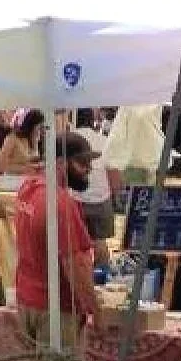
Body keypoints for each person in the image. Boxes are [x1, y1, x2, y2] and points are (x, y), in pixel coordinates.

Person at [14, 131, 100, 351]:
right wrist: (96, 311)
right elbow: (76, 264)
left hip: (27, 301)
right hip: (56, 310)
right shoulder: (61, 203)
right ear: (61, 163)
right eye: (82, 163)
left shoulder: (27, 189)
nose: (89, 169)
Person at [70, 109, 115, 265]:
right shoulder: (104, 141)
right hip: (101, 198)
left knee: (75, 243)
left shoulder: (68, 141)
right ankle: (102, 273)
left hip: (75, 199)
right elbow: (114, 175)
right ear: (92, 120)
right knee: (100, 242)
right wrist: (113, 195)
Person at [0, 109, 45, 178]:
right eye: (39, 128)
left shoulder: (34, 141)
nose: (42, 131)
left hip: (29, 179)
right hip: (12, 180)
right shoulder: (12, 139)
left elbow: (32, 161)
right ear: (31, 126)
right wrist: (24, 168)